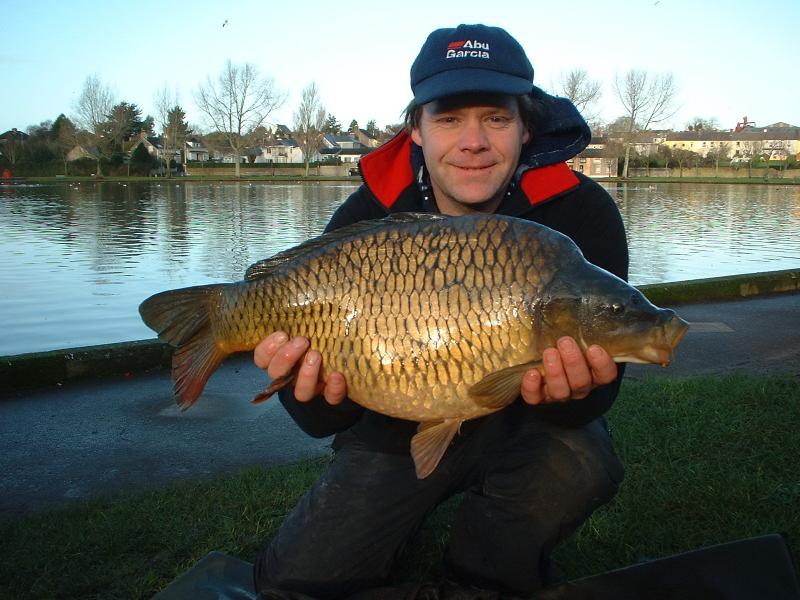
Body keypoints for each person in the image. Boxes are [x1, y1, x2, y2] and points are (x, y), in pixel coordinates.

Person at [253, 23, 628, 599]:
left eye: (496, 118)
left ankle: (482, 576)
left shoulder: (582, 214)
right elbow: (319, 423)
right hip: (394, 423)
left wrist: (579, 392)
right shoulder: (363, 219)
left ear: (526, 127)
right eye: (449, 118)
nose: (473, 140)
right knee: (294, 582)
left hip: (525, 423)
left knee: (578, 461)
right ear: (417, 131)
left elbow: (601, 387)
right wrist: (309, 390)